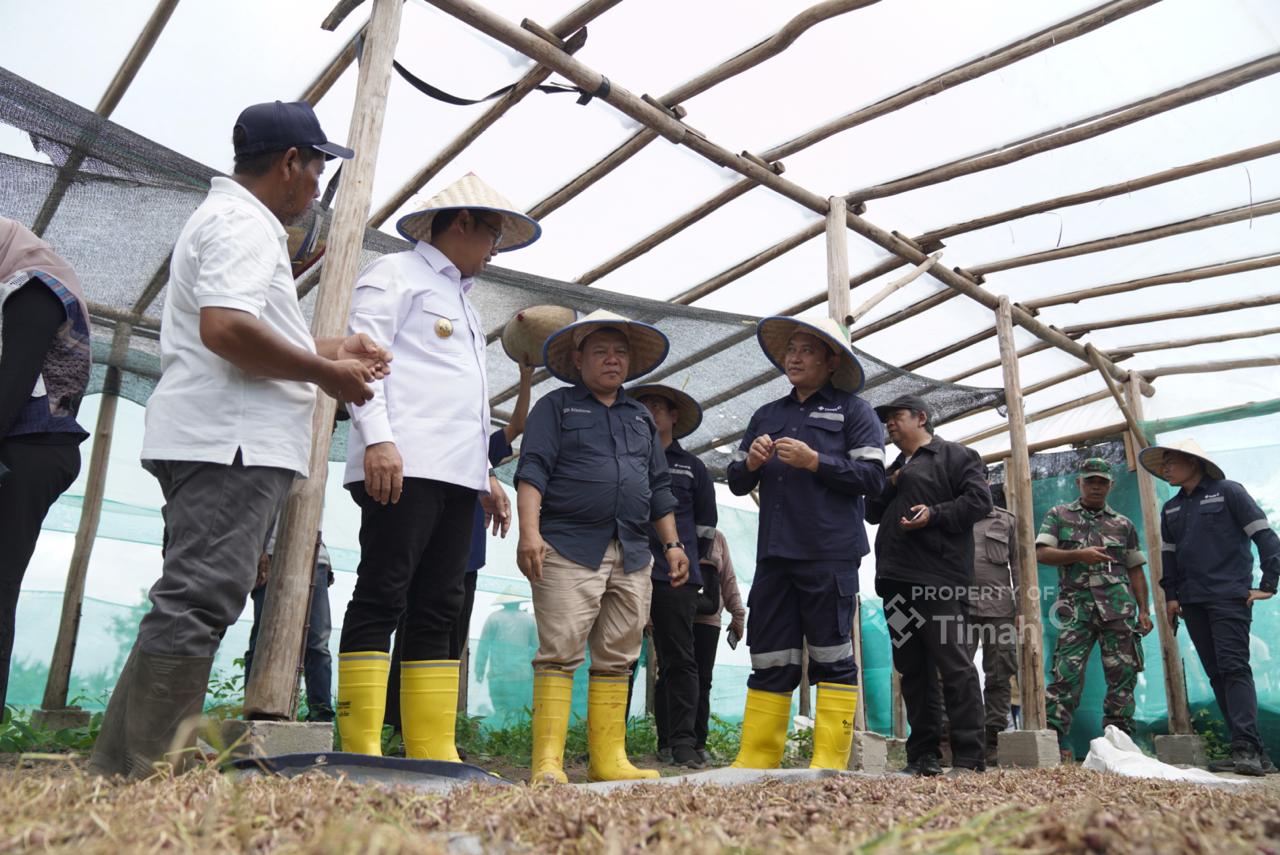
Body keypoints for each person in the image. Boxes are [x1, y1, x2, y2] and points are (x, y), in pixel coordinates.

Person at [89, 101, 386, 779]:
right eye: (315, 169)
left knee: (188, 595)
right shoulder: (245, 226)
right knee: (198, 598)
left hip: (222, 435)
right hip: (231, 442)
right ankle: (151, 773)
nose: (316, 187)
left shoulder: (230, 221)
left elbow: (239, 329)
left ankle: (119, 767)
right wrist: (328, 373)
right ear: (290, 164)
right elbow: (226, 329)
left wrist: (334, 347)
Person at [336, 174, 536, 760]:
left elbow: (464, 403)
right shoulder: (394, 275)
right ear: (463, 223)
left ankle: (430, 743)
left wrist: (484, 477)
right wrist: (376, 440)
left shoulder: (464, 303)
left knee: (442, 603)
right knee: (383, 591)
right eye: (492, 233)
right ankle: (361, 743)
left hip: (457, 476)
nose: (495, 248)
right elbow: (362, 361)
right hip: (402, 463)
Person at [515, 309, 689, 783]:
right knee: (559, 650)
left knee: (620, 653)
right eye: (601, 352)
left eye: (619, 353)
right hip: (568, 545)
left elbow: (658, 487)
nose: (612, 360)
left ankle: (608, 759)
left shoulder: (639, 417)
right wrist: (528, 533)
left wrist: (671, 544)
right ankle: (547, 762)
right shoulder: (556, 407)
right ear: (579, 359)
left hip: (633, 550)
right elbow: (532, 469)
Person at [727, 317, 885, 771]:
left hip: (828, 552)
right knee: (771, 654)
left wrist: (819, 461)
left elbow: (874, 480)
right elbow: (737, 482)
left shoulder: (856, 412)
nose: (793, 357)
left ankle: (828, 764)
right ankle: (756, 762)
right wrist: (752, 463)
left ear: (831, 360)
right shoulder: (767, 415)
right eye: (790, 349)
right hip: (775, 554)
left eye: (806, 350)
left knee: (833, 657)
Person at [868, 393, 991, 776]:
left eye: (895, 415)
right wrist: (891, 482)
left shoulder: (956, 456)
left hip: (937, 582)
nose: (888, 422)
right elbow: (871, 512)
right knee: (912, 668)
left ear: (921, 418)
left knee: (954, 665)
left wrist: (935, 514)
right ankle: (923, 756)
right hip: (896, 583)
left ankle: (969, 756)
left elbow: (979, 502)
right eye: (885, 418)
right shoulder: (895, 466)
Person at [1140, 439, 1280, 776]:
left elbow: (1266, 536)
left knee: (1234, 668)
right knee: (1217, 673)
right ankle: (1253, 752)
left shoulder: (1229, 491)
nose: (1165, 468)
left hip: (1229, 596)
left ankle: (1245, 748)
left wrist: (1268, 584)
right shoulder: (1171, 508)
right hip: (1191, 601)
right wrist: (1171, 597)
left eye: (1171, 461)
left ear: (1193, 462)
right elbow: (1168, 557)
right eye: (1163, 464)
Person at [0, 218, 91, 716]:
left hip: (33, 447)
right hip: (35, 447)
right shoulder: (34, 287)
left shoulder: (34, 292)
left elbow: (11, 387)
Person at [1035, 458, 1150, 762]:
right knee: (1065, 676)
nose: (1096, 486)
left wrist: (1144, 611)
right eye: (1090, 481)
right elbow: (1042, 553)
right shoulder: (1058, 515)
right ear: (1079, 483)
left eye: (1102, 482)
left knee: (1123, 675)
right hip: (1076, 610)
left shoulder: (1123, 524)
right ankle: (1056, 742)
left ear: (1110, 485)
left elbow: (1136, 569)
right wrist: (1078, 555)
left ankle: (1118, 742)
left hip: (1118, 609)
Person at [631, 383, 718, 769]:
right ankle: (606, 741)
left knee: (679, 659)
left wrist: (695, 570)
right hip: (626, 567)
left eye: (658, 406)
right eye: (643, 405)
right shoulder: (626, 456)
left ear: (673, 416)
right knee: (615, 656)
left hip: (675, 576)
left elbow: (705, 529)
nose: (650, 412)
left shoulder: (692, 466)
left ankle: (680, 742)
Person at [245, 519, 334, 722]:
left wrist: (325, 556)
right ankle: (256, 710)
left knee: (317, 641)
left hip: (315, 556)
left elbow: (317, 516)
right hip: (270, 551)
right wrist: (257, 549)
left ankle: (321, 714)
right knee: (264, 637)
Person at [970, 496, 1020, 764]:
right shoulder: (952, 514)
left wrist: (1023, 609)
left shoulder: (1007, 520)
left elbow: (1020, 567)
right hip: (959, 607)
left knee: (1001, 672)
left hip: (1000, 610)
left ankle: (993, 741)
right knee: (951, 674)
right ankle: (951, 740)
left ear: (985, 484)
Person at [692, 530, 745, 764]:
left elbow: (728, 578)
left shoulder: (717, 538)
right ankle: (669, 742)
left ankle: (698, 743)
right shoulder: (672, 528)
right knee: (670, 678)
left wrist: (738, 613)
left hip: (708, 620)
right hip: (675, 617)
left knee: (703, 682)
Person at [473, 596, 539, 726]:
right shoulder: (529, 620)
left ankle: (500, 737)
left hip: (498, 676)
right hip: (521, 676)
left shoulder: (494, 618)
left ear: (503, 603)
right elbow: (536, 646)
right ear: (519, 603)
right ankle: (512, 739)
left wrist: (479, 669)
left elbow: (483, 646)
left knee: (500, 710)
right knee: (517, 712)